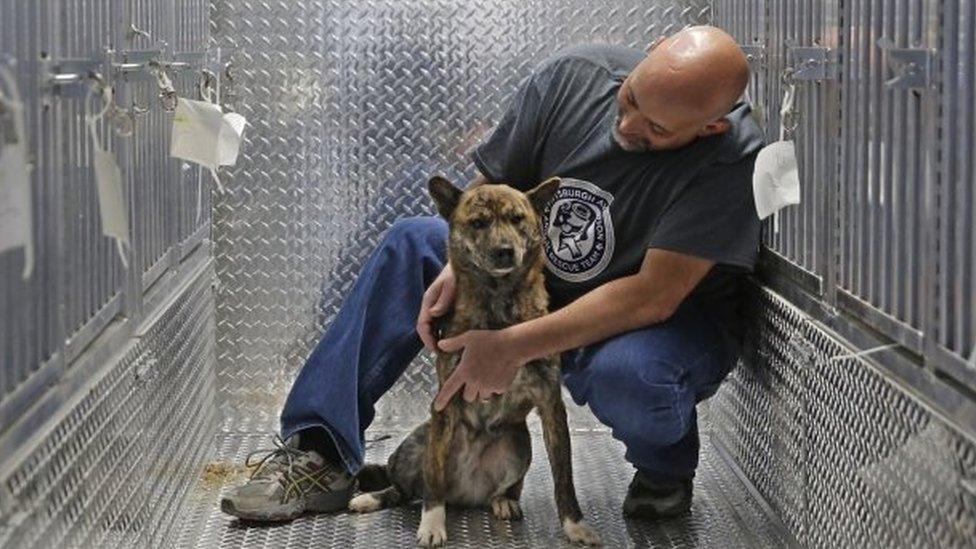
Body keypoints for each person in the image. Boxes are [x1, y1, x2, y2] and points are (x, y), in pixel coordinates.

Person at [221, 25, 762, 522]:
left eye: (656, 128)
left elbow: (652, 297)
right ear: (652, 49)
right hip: (538, 288)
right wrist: (461, 264)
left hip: (646, 323)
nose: (627, 125)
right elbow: (487, 188)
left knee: (633, 376)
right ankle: (319, 452)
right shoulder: (573, 78)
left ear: (710, 125)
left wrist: (511, 345)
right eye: (631, 99)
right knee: (416, 241)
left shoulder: (732, 155)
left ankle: (664, 469)